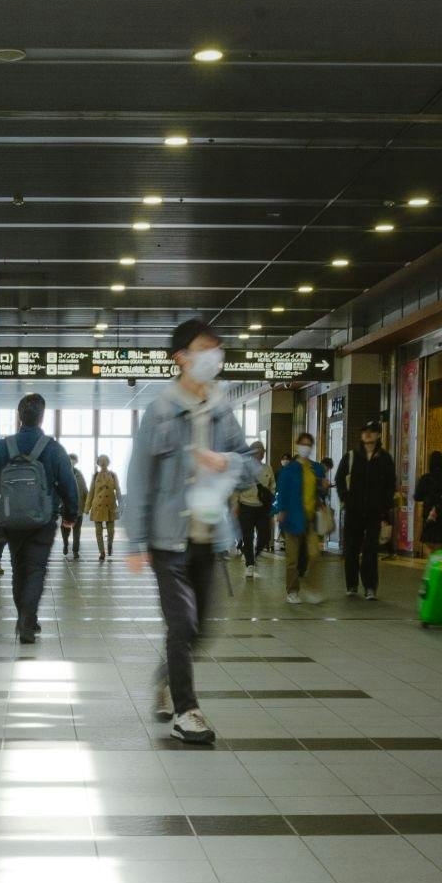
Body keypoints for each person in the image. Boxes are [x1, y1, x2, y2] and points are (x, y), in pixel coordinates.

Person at [129, 319, 257, 746]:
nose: (213, 356)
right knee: (181, 624)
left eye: (217, 349)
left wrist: (228, 464)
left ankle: (167, 678)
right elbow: (140, 477)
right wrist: (134, 541)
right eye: (204, 348)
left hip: (211, 535)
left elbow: (248, 464)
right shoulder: (160, 410)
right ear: (181, 356)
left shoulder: (222, 409)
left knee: (201, 628)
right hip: (169, 539)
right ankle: (188, 711)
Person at [0, 392, 81, 644]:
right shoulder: (54, 448)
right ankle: (27, 619)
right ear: (42, 416)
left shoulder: (4, 446)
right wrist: (71, 514)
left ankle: (25, 617)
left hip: (11, 521)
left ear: (19, 417)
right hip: (43, 521)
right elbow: (69, 484)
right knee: (36, 569)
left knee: (18, 569)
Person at [338, 423, 397, 599]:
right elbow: (340, 479)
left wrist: (384, 510)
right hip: (353, 512)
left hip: (374, 513)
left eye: (372, 432)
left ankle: (370, 587)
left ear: (378, 435)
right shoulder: (351, 456)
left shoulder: (385, 458)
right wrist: (345, 499)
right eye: (365, 432)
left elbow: (390, 486)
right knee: (351, 550)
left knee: (371, 551)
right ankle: (352, 585)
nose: (368, 435)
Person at [275, 431, 330, 604]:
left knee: (314, 555)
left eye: (309, 444)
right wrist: (281, 510)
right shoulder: (289, 469)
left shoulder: (316, 468)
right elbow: (281, 492)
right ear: (297, 445)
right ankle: (292, 590)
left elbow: (321, 490)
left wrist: (323, 487)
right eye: (303, 444)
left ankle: (312, 588)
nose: (305, 447)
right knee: (292, 559)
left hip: (310, 519)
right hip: (292, 518)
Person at [236, 441, 272, 577]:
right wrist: (235, 505)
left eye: (262, 451)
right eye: (257, 451)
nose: (260, 453)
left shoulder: (268, 469)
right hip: (246, 506)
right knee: (248, 536)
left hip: (262, 508)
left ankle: (255, 554)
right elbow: (237, 488)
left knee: (264, 536)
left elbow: (272, 488)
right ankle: (249, 564)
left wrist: (272, 506)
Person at [85, 453, 121, 559]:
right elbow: (91, 492)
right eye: (101, 461)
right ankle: (102, 552)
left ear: (108, 462)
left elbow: (118, 490)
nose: (103, 463)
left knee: (111, 530)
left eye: (105, 460)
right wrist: (87, 507)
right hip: (98, 505)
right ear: (98, 463)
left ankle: (109, 545)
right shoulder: (95, 476)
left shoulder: (113, 475)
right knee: (98, 531)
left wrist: (121, 504)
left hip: (110, 505)